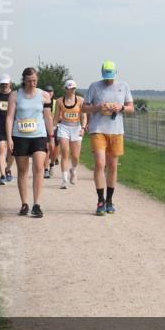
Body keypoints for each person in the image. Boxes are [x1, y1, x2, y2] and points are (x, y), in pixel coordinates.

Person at [82, 61, 133, 216]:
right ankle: (100, 200)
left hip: (116, 131)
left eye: (110, 76)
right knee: (100, 163)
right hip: (98, 129)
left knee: (113, 166)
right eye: (106, 76)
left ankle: (109, 200)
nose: (108, 79)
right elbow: (84, 107)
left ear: (116, 73)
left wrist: (121, 107)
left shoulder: (123, 86)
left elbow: (131, 108)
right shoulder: (94, 86)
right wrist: (98, 107)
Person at [6, 67, 53, 218]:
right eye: (29, 81)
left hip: (39, 135)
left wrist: (51, 137)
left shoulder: (44, 95)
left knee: (39, 167)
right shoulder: (15, 95)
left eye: (34, 81)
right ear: (24, 81)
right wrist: (9, 138)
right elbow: (9, 117)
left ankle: (37, 204)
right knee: (22, 170)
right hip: (20, 136)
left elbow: (48, 117)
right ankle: (24, 204)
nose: (32, 83)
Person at [54, 79, 87, 189]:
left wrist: (83, 128)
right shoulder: (59, 101)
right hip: (64, 127)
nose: (72, 90)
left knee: (75, 156)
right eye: (70, 88)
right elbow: (56, 117)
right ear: (66, 89)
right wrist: (53, 128)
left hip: (76, 128)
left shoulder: (80, 100)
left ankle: (73, 170)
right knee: (65, 154)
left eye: (74, 88)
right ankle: (64, 180)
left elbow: (83, 116)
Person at [43, 85, 57, 179]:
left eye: (50, 91)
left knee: (54, 149)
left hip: (55, 127)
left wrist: (54, 121)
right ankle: (46, 170)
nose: (49, 93)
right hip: (44, 128)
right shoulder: (41, 102)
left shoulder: (56, 102)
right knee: (47, 148)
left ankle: (52, 163)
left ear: (53, 93)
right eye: (47, 91)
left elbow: (60, 115)